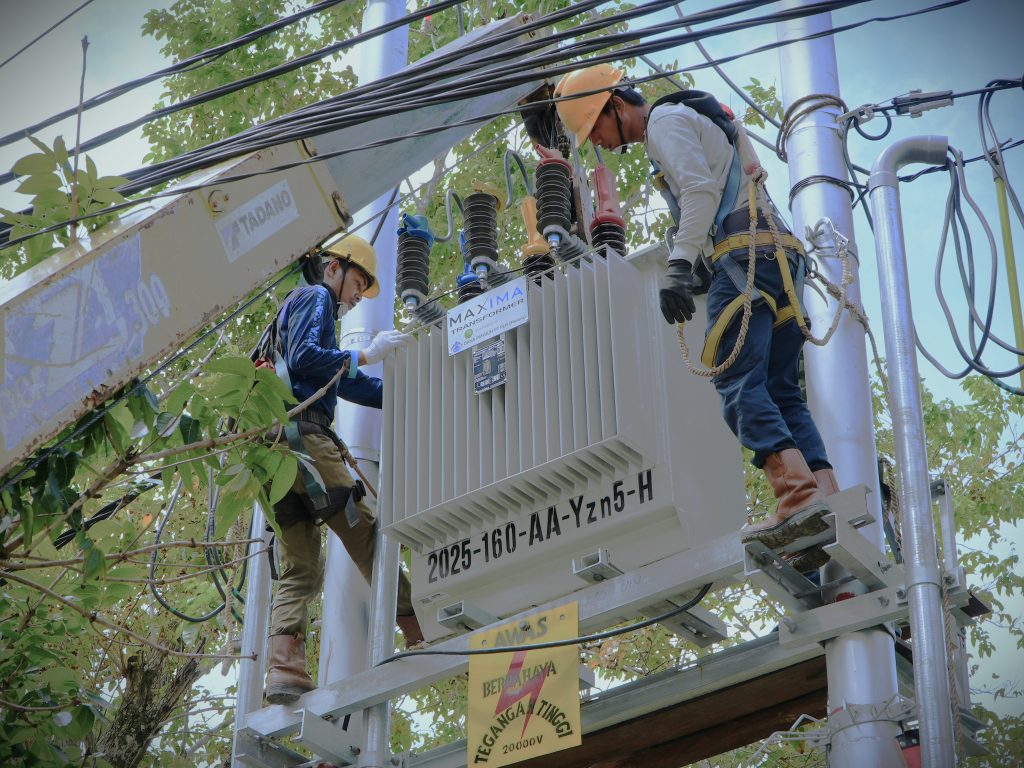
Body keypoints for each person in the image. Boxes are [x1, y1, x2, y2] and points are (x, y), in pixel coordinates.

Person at [553, 64, 840, 563]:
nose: (600, 142)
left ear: (616, 105)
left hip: (746, 255)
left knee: (735, 380)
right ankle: (825, 497)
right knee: (779, 391)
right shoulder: (690, 121)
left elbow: (700, 191)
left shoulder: (664, 122)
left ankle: (797, 497)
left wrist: (680, 267)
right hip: (778, 257)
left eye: (596, 128)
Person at [263, 234, 423, 705]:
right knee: (365, 534)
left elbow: (338, 380)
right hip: (304, 444)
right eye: (358, 283)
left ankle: (283, 668)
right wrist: (369, 353)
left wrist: (399, 392)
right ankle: (417, 628)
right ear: (334, 267)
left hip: (270, 462)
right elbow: (310, 358)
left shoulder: (290, 319)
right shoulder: (314, 297)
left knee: (300, 569)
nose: (357, 297)